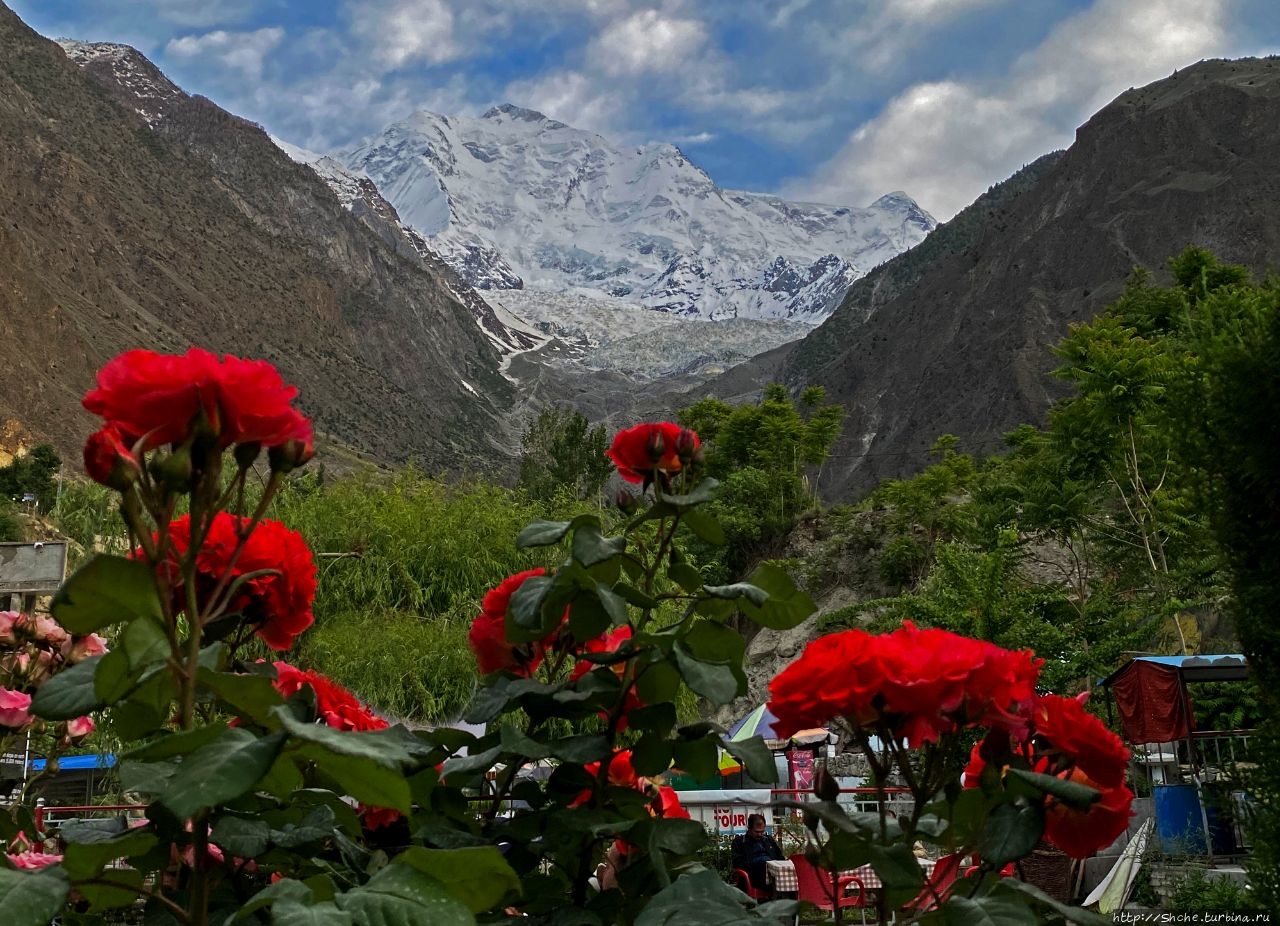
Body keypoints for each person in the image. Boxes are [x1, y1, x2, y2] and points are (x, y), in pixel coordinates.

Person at [731, 813, 784, 891]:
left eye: (762, 831)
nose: (760, 834)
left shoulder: (768, 840)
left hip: (773, 875)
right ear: (749, 828)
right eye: (756, 832)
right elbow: (737, 863)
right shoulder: (739, 842)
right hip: (753, 876)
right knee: (763, 862)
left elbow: (780, 857)